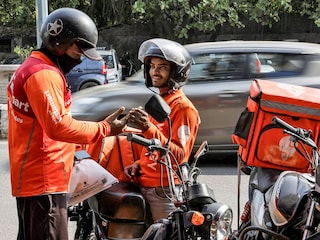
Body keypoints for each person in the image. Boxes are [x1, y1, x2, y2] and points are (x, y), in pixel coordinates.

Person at [7, 8, 127, 240]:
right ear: (59, 42)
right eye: (78, 49)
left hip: (35, 180)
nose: (80, 57)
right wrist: (104, 129)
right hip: (44, 182)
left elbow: (44, 125)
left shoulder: (31, 68)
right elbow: (58, 127)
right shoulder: (43, 74)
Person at [124, 38, 201, 222]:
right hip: (145, 183)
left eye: (162, 67)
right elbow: (154, 146)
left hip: (164, 190)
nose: (154, 72)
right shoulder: (161, 102)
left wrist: (147, 127)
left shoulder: (183, 108)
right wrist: (138, 164)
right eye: (152, 66)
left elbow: (179, 155)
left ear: (176, 72)